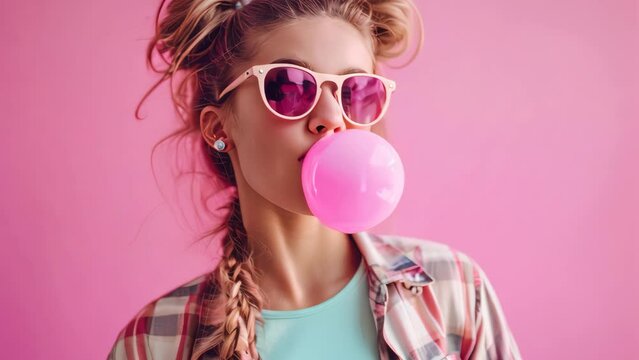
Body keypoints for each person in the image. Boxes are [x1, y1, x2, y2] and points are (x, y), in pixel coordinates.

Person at [107, 0, 523, 359]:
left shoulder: (453, 290)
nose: (331, 118)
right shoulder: (153, 343)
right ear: (220, 128)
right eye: (290, 88)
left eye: (355, 90)